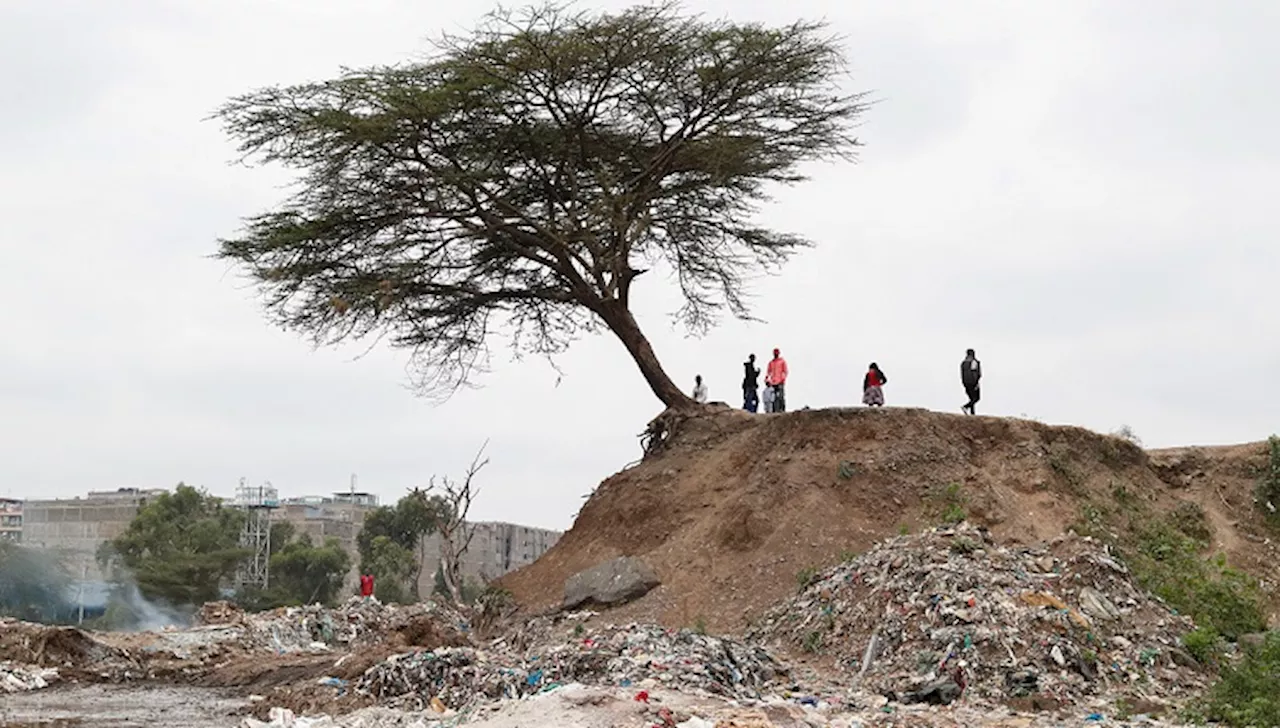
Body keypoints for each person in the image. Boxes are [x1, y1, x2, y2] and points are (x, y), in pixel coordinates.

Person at [765, 348, 788, 413]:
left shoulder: (782, 361)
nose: (775, 354)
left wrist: (783, 379)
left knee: (780, 396)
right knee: (773, 397)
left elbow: (785, 371)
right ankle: (775, 410)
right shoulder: (771, 363)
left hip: (780, 381)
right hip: (773, 382)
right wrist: (767, 379)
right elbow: (768, 372)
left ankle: (782, 410)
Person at [961, 348, 982, 415]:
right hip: (973, 382)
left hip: (965, 382)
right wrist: (976, 383)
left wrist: (964, 383)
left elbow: (962, 374)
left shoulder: (963, 363)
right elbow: (975, 373)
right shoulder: (974, 362)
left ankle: (972, 413)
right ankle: (965, 407)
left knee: (971, 398)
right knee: (976, 398)